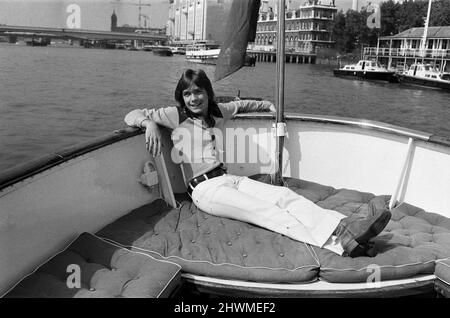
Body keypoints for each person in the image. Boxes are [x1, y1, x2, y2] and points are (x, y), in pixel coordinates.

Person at [124, 68, 391, 257]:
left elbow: (242, 105)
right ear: (181, 98)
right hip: (205, 191)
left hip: (228, 179)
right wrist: (148, 123)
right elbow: (131, 114)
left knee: (284, 196)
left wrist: (267, 105)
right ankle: (341, 244)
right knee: (265, 210)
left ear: (208, 93)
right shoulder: (175, 116)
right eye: (187, 94)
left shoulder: (216, 112)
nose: (194, 98)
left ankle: (347, 226)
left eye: (199, 92)